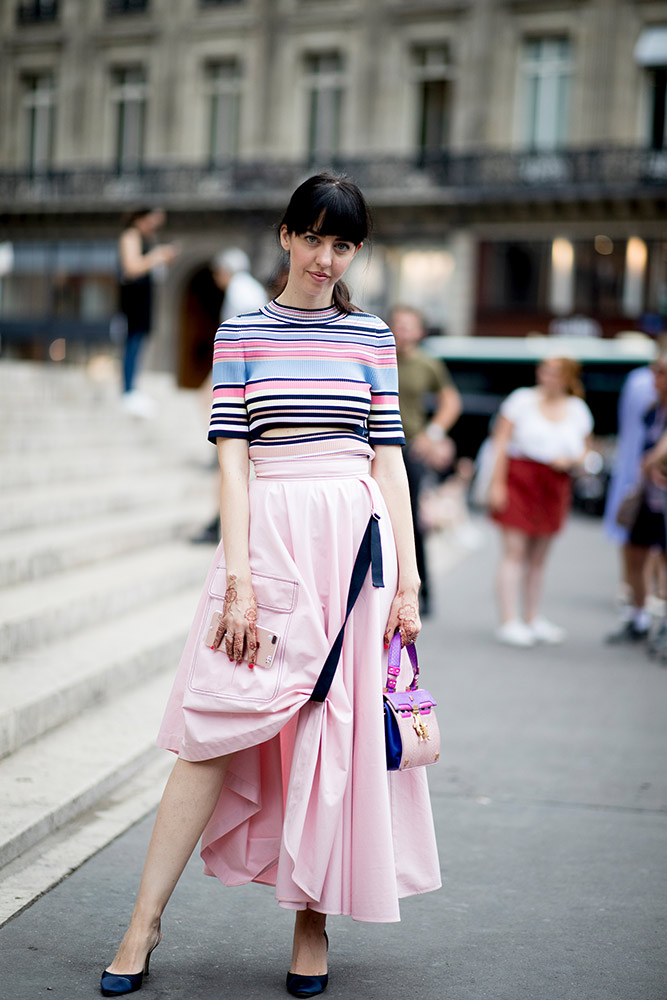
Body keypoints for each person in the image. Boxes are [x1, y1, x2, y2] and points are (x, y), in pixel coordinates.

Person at [100, 174, 440, 999]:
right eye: (313, 238)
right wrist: (240, 580)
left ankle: (310, 924)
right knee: (209, 727)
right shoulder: (240, 331)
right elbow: (230, 458)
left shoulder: (369, 338)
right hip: (267, 542)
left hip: (354, 549)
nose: (326, 258)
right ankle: (142, 921)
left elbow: (386, 457)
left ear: (354, 250)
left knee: (335, 735)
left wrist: (409, 577)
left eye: (342, 244)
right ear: (286, 236)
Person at [488, 357, 593, 647]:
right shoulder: (520, 400)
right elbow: (499, 443)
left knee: (539, 555)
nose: (547, 377)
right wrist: (496, 484)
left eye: (554, 373)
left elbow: (586, 452)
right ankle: (509, 620)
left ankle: (532, 617)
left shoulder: (578, 410)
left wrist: (571, 460)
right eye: (544, 371)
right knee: (514, 551)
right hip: (520, 477)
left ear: (568, 378)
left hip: (555, 482)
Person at [191, 248, 268, 545]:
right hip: (244, 373)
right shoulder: (248, 288)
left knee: (226, 453)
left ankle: (220, 522)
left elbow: (241, 339)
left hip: (239, 373)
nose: (216, 277)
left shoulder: (240, 291)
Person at [391, 305, 461, 614]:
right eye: (397, 325)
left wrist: (432, 434)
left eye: (408, 326)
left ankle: (422, 592)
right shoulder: (380, 355)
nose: (402, 331)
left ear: (419, 332)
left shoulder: (427, 364)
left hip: (409, 449)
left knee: (410, 522)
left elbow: (451, 401)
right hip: (375, 447)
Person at [605, 354, 667, 645]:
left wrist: (655, 459)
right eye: (655, 371)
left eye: (661, 372)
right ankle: (639, 616)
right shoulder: (653, 410)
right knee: (634, 554)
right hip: (647, 495)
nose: (655, 378)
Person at [118, 208, 179, 417]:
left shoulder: (148, 237)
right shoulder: (131, 235)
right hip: (132, 299)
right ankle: (127, 390)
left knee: (140, 342)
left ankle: (133, 388)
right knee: (132, 343)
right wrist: (157, 256)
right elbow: (131, 267)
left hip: (144, 298)